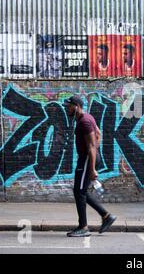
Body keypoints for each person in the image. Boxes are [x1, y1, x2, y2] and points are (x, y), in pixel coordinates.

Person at [63, 95, 116, 237]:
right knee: (81, 191)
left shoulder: (84, 122)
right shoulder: (86, 118)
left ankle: (84, 227)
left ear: (77, 106)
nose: (67, 108)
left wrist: (91, 167)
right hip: (87, 159)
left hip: (87, 160)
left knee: (79, 192)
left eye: (69, 106)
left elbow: (92, 145)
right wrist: (92, 151)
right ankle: (106, 216)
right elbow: (99, 134)